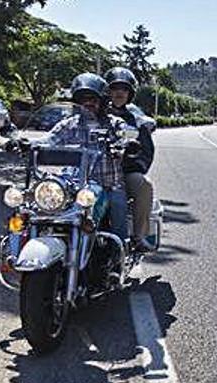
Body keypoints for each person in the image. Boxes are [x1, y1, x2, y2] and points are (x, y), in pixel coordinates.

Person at [40, 73, 130, 240]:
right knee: (38, 206)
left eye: (93, 100)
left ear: (102, 102)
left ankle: (121, 252)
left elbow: (124, 136)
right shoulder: (69, 124)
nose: (88, 104)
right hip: (72, 186)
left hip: (108, 185)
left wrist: (122, 145)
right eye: (83, 100)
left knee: (118, 208)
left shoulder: (114, 123)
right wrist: (23, 142)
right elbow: (48, 139)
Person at [104, 66, 156, 252]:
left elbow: (145, 150)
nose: (119, 93)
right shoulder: (93, 112)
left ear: (130, 93)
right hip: (88, 172)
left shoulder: (135, 119)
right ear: (107, 91)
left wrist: (132, 161)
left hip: (122, 173)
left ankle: (138, 236)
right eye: (114, 88)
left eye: (124, 89)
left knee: (144, 184)